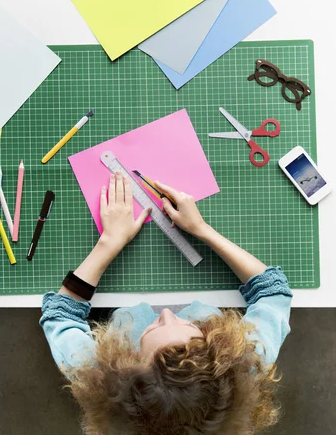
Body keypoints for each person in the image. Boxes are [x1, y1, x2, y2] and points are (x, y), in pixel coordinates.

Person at [40, 172, 292, 435]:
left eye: (153, 328)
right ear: (218, 352)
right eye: (190, 327)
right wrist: (201, 229)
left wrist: (109, 242)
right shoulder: (240, 366)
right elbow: (273, 292)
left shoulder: (104, 378)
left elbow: (59, 314)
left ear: (127, 369)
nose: (169, 313)